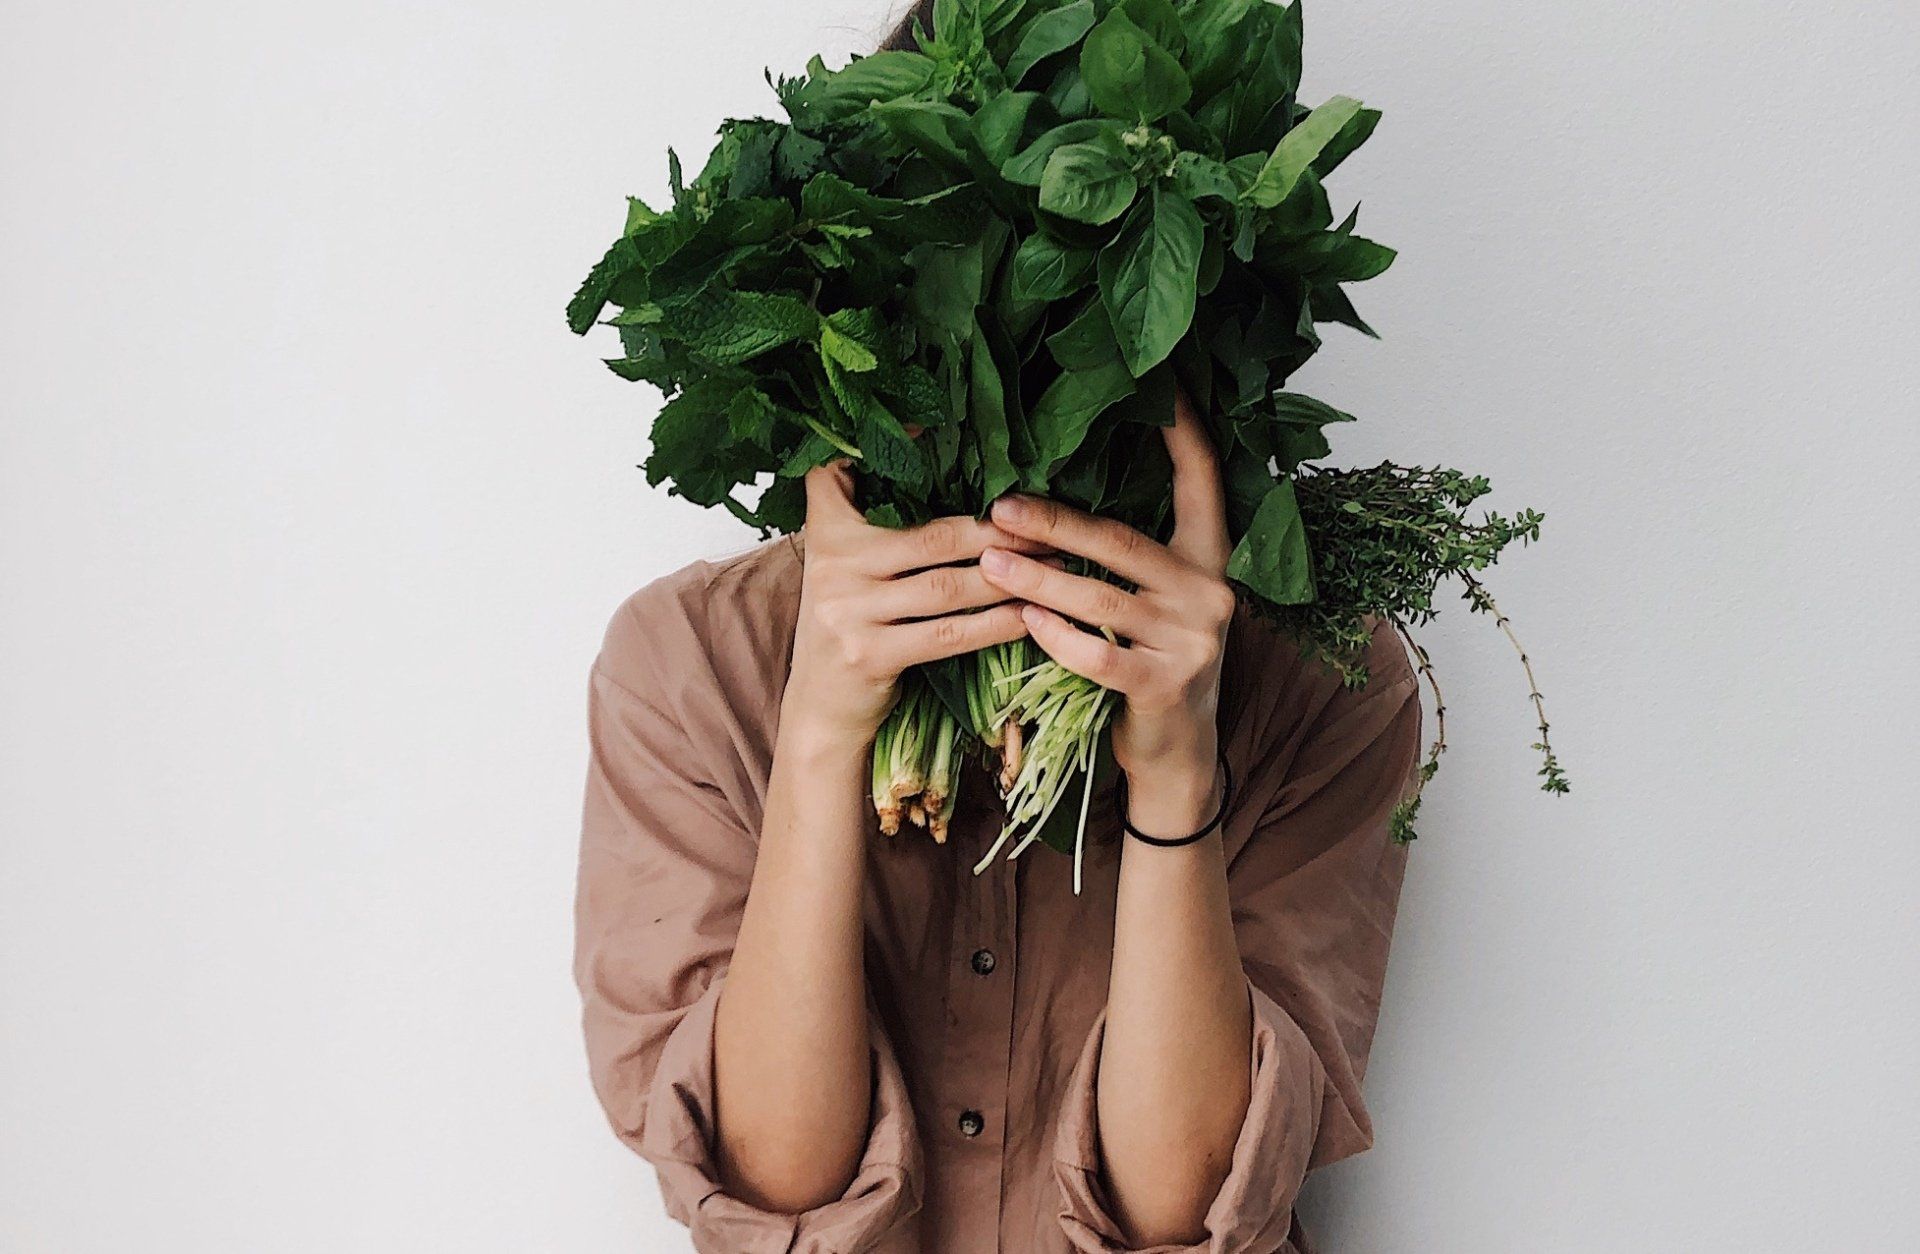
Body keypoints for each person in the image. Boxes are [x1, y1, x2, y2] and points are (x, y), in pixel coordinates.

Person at [575, 354, 1421, 1250]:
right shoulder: (693, 662)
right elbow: (772, 1190)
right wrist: (819, 736)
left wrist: (1178, 776)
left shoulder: (1320, 677)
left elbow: (1186, 1214)